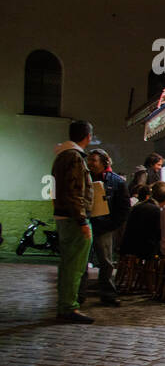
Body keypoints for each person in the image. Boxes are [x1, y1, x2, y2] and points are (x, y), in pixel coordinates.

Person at [51, 120, 96, 323]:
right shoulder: (75, 158)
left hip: (62, 216)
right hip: (72, 218)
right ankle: (69, 307)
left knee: (67, 264)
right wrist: (82, 221)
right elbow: (75, 192)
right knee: (75, 266)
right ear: (88, 136)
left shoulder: (61, 156)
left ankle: (65, 304)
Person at [82, 148, 128, 308]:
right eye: (89, 160)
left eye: (94, 160)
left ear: (104, 162)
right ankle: (79, 296)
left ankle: (108, 295)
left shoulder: (117, 182)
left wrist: (112, 225)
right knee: (82, 262)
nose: (90, 164)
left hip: (104, 228)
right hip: (86, 225)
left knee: (106, 263)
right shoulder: (83, 178)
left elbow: (123, 208)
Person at [121, 181, 165, 262]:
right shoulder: (155, 210)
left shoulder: (140, 205)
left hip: (128, 245)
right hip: (142, 249)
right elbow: (158, 234)